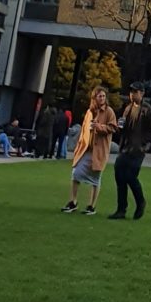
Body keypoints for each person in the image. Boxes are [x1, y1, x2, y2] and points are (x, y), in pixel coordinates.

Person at [62, 87, 118, 215]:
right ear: (94, 98)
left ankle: (91, 206)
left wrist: (99, 127)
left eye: (103, 96)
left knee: (95, 178)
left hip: (98, 151)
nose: (102, 98)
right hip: (86, 149)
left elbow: (113, 128)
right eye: (99, 96)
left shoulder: (109, 111)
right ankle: (73, 202)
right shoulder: (89, 111)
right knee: (75, 173)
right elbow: (83, 130)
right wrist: (79, 145)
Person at [109, 81, 151, 222]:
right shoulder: (128, 108)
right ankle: (121, 209)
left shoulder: (147, 110)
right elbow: (123, 128)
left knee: (130, 176)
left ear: (142, 93)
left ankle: (140, 202)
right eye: (131, 92)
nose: (132, 94)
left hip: (138, 150)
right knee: (120, 177)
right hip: (125, 148)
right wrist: (120, 128)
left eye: (135, 92)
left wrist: (146, 146)